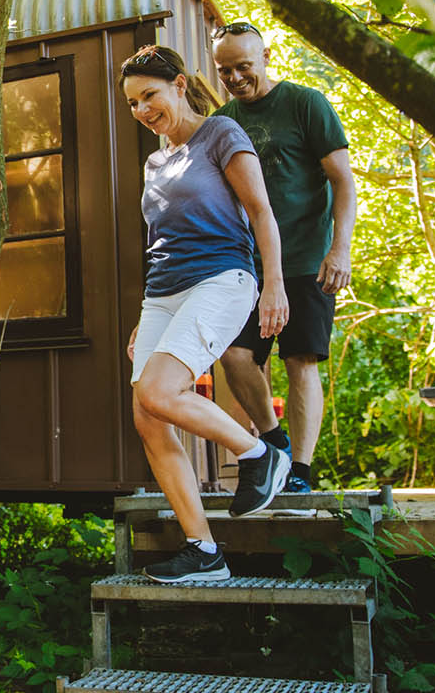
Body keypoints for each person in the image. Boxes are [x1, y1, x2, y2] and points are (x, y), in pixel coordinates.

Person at [120, 45, 291, 583]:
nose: (143, 110)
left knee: (158, 392)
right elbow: (161, 242)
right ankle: (204, 552)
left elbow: (262, 211)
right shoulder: (154, 161)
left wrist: (274, 286)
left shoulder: (221, 135)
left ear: (178, 86)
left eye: (150, 95)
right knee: (148, 417)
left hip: (223, 279)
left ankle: (259, 453)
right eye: (132, 103)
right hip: (163, 295)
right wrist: (144, 316)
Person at [209, 23, 357, 498]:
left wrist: (341, 247)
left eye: (243, 67)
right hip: (249, 267)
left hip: (306, 260)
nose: (234, 78)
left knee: (300, 360)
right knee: (233, 356)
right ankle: (274, 444)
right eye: (224, 70)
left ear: (266, 57)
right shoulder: (226, 119)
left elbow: (343, 180)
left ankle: (302, 470)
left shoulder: (305, 104)